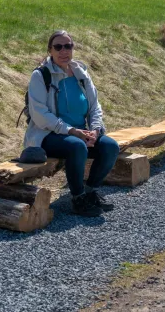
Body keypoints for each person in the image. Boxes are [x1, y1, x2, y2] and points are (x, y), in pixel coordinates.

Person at [24, 30, 120, 217]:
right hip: (48, 136)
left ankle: (90, 192)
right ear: (50, 50)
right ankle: (78, 198)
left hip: (81, 133)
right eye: (58, 47)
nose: (63, 51)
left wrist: (95, 130)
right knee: (77, 147)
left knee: (110, 146)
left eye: (68, 46)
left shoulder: (80, 73)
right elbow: (40, 115)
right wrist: (71, 131)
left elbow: (95, 106)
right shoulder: (41, 75)